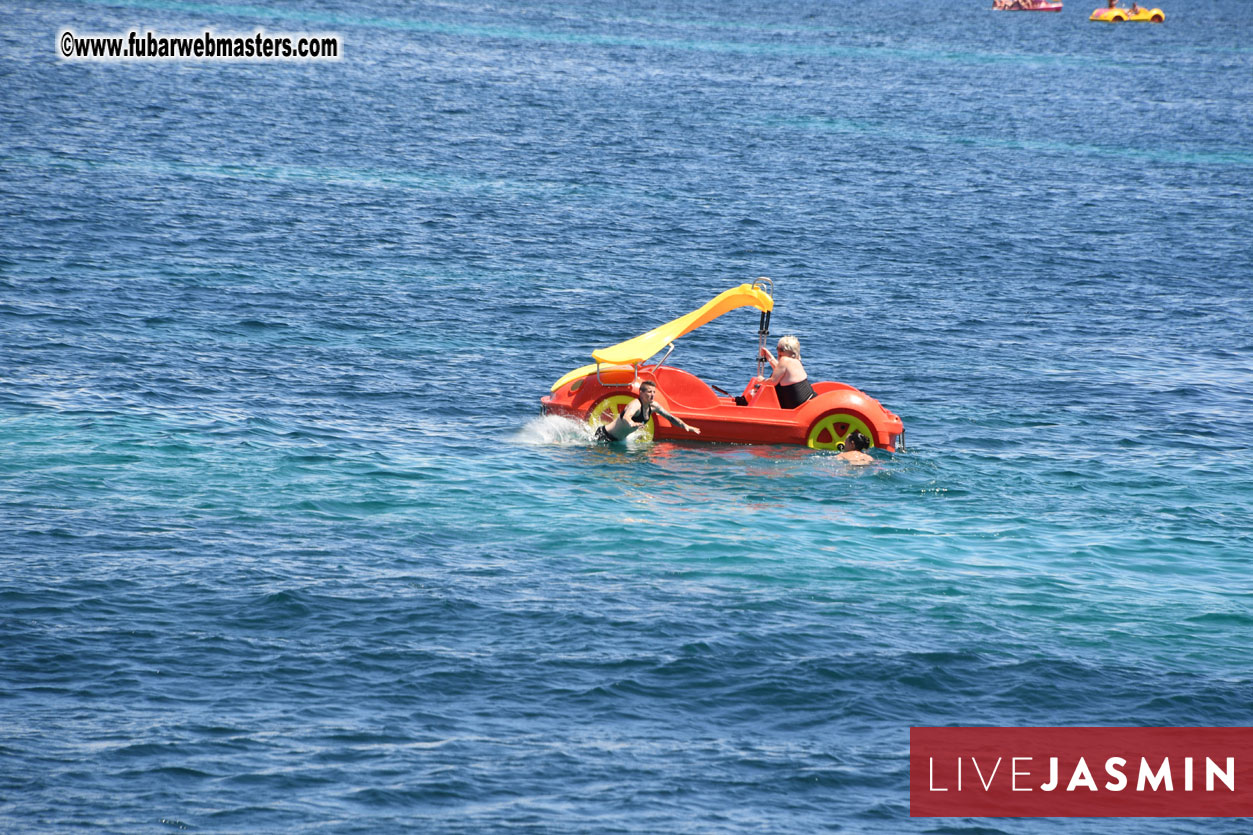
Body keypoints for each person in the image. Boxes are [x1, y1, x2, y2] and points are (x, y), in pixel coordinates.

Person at [594, 379, 700, 443]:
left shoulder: (654, 406)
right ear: (641, 392)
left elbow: (670, 418)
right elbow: (627, 416)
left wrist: (685, 426)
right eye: (649, 392)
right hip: (605, 436)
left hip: (619, 441)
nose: (652, 395)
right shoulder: (636, 405)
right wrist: (632, 423)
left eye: (654, 392)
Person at [758, 335, 815, 409]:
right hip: (810, 400)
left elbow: (772, 382)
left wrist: (761, 380)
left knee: (772, 382)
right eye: (778, 348)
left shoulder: (784, 360)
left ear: (792, 352)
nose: (778, 351)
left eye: (782, 349)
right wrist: (770, 358)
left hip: (799, 408)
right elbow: (780, 371)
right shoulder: (797, 361)